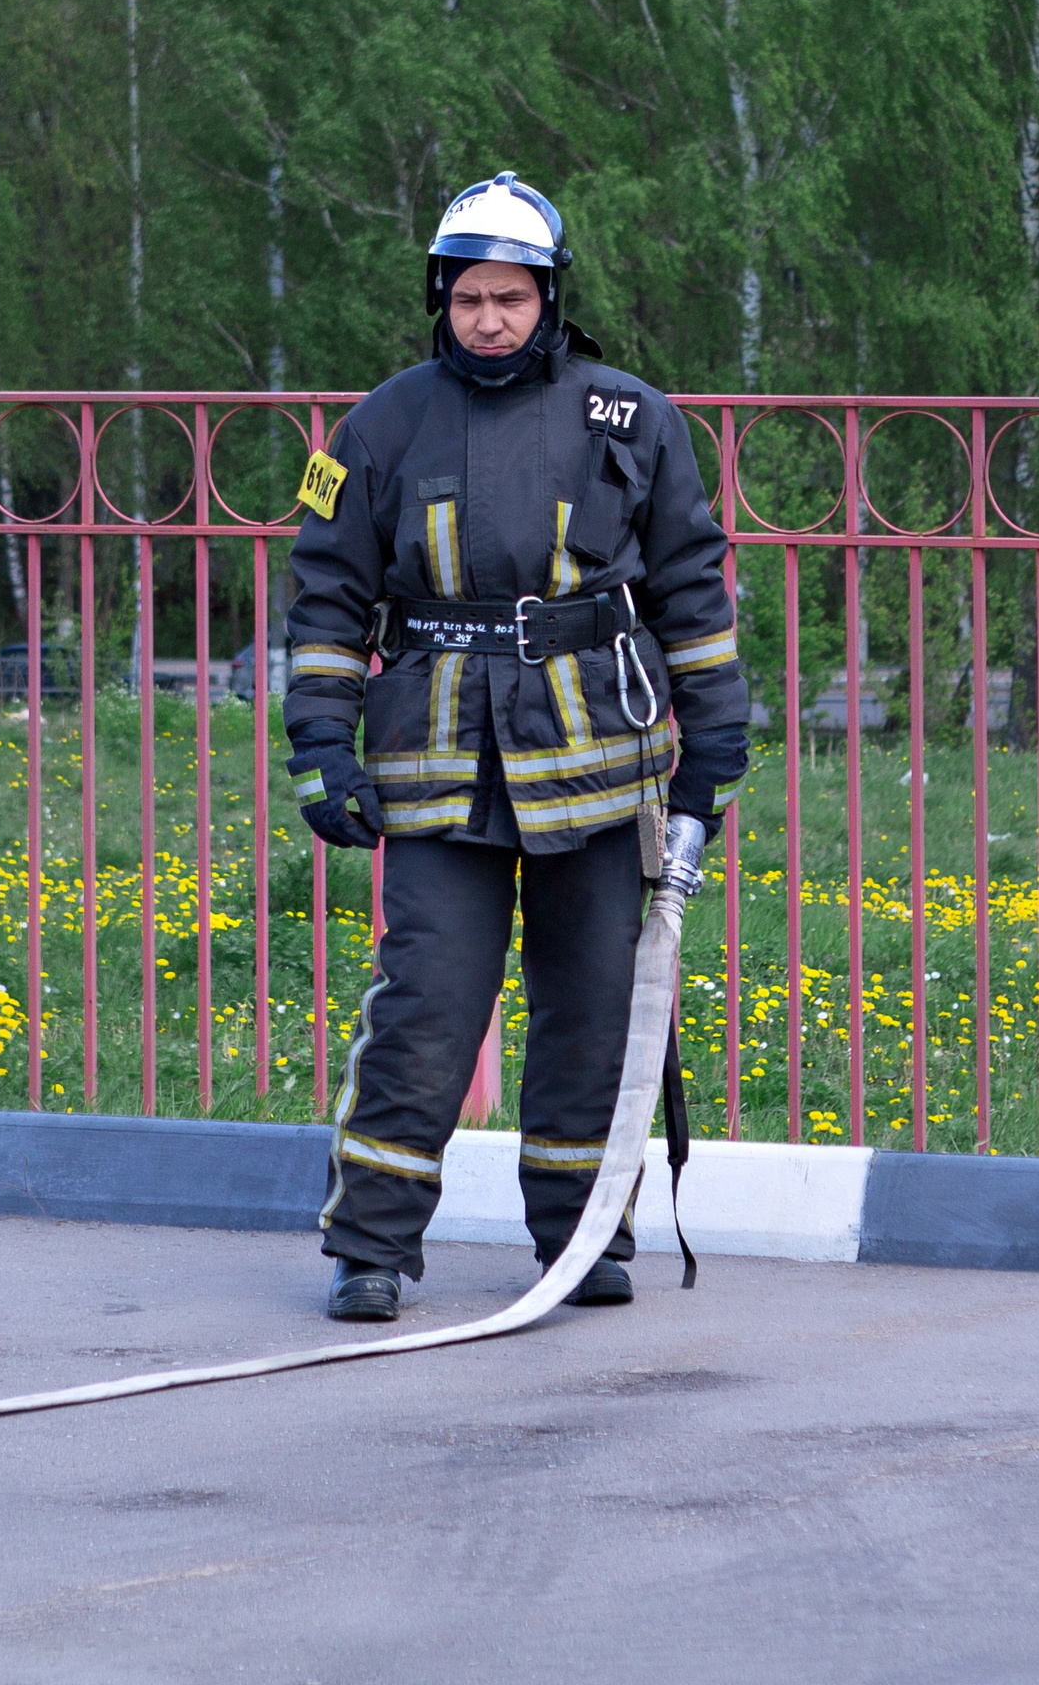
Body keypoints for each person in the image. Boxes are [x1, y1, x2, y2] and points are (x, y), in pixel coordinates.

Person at [283, 173, 749, 1321]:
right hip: (435, 766)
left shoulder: (633, 418)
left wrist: (716, 749)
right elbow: (327, 599)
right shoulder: (375, 424)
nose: (488, 319)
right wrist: (320, 749)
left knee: (592, 1005)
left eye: (511, 297)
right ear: (439, 296)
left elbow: (692, 589)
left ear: (549, 297)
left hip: (601, 763)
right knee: (428, 1002)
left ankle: (582, 1237)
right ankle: (371, 1247)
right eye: (467, 297)